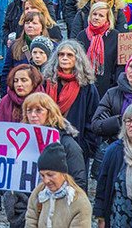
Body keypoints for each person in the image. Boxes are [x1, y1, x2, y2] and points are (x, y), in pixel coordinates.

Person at [43, 40, 100, 170]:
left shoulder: (87, 87)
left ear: (77, 59)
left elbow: (93, 119)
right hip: (48, 145)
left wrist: (85, 147)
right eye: (61, 54)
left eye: (69, 55)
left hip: (76, 147)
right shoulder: (47, 83)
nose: (64, 58)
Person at [25, 142, 93, 228]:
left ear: (63, 173)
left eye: (50, 175)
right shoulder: (39, 192)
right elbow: (31, 220)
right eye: (42, 175)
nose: (46, 180)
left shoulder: (79, 202)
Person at [75, 2, 119, 96]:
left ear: (108, 19)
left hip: (108, 87)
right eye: (94, 14)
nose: (96, 17)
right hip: (85, 86)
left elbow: (118, 64)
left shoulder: (115, 36)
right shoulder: (82, 36)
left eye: (101, 15)